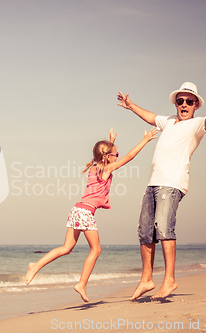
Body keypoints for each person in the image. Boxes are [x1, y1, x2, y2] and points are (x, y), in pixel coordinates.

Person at [117, 78, 206, 300]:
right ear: (176, 103)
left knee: (164, 227)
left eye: (190, 101)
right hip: (153, 183)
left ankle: (169, 279)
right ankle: (147, 279)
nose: (185, 104)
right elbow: (150, 116)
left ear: (196, 105)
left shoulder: (196, 124)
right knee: (144, 231)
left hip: (172, 183)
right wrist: (131, 106)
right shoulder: (168, 121)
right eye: (181, 101)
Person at [24, 127, 158, 302]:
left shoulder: (94, 168)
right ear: (107, 157)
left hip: (76, 209)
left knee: (66, 248)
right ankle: (81, 283)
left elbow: (106, 155)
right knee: (96, 250)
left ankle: (36, 265)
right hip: (86, 212)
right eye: (115, 155)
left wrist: (111, 141)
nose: (117, 157)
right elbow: (130, 157)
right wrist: (145, 140)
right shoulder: (106, 169)